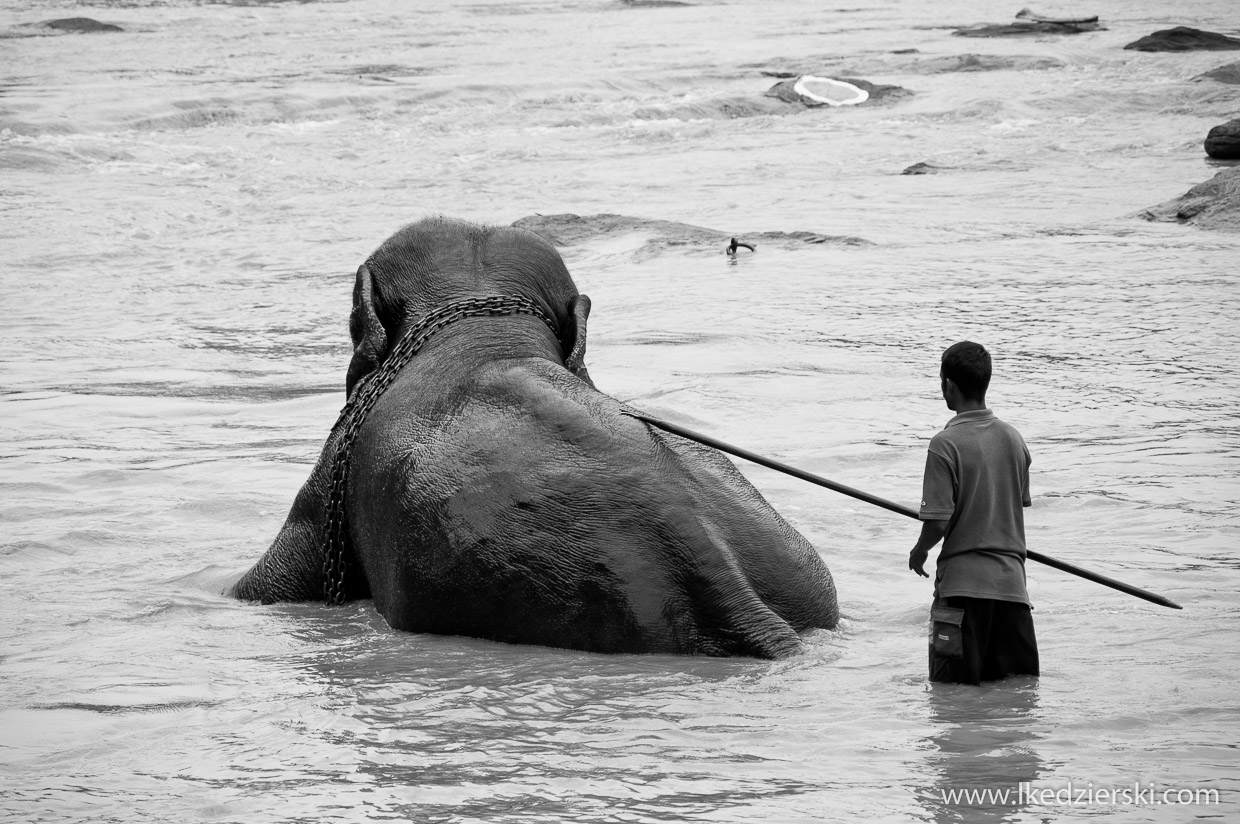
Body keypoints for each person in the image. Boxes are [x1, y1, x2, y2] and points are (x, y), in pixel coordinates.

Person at [908, 341, 1039, 685]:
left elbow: (938, 520)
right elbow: (1015, 503)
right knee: (1014, 696)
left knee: (952, 695)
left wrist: (920, 551)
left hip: (962, 591)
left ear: (948, 384)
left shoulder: (944, 444)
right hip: (1013, 591)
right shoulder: (1014, 439)